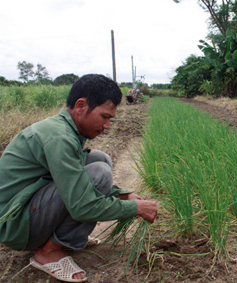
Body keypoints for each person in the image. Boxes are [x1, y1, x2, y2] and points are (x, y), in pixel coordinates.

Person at [0, 74, 158, 282]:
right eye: (104, 117)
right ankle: (49, 252)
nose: (107, 126)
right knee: (99, 172)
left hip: (29, 209)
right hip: (16, 225)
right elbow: (83, 205)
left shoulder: (64, 130)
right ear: (81, 106)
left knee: (98, 159)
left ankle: (67, 237)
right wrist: (135, 208)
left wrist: (124, 195)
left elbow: (73, 178)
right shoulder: (60, 137)